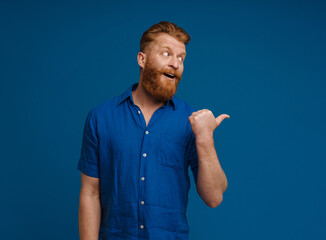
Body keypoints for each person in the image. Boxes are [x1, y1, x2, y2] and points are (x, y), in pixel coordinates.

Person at [77, 21, 229, 240]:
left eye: (181, 58)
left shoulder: (191, 121)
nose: (175, 64)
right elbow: (90, 193)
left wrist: (205, 138)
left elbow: (214, 197)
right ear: (142, 59)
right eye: (167, 54)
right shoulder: (101, 117)